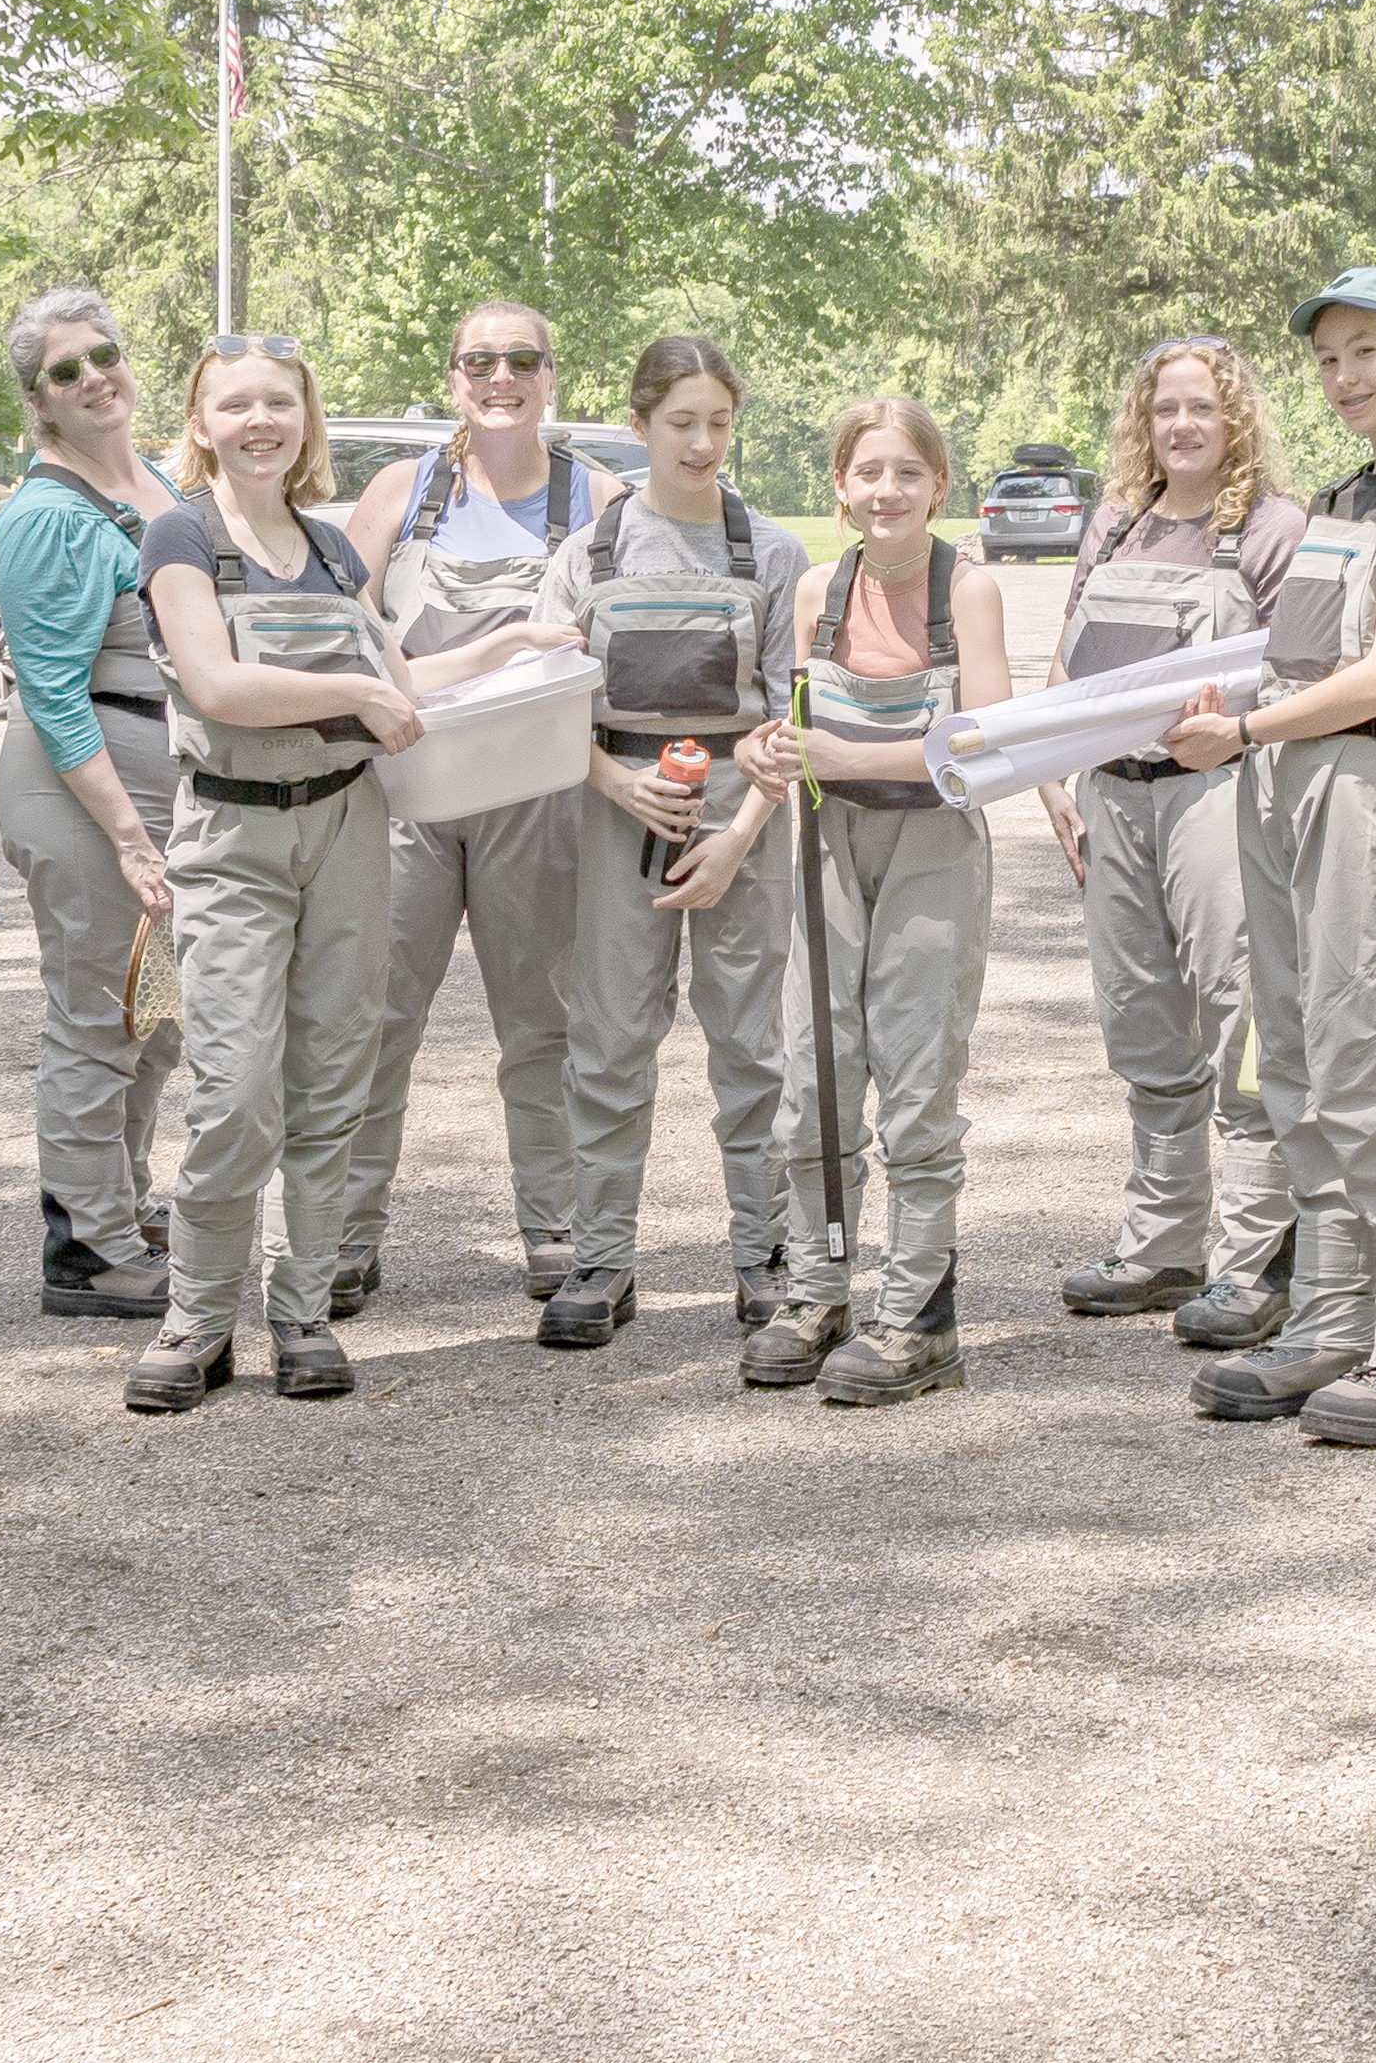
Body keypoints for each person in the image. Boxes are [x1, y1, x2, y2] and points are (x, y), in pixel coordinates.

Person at [128, 334, 579, 1412]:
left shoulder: (331, 551)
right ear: (201, 425)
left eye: (279, 402)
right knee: (235, 1089)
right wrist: (363, 704)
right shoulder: (180, 536)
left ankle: (303, 1313)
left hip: (343, 829)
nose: (259, 422)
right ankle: (196, 1319)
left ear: (305, 422)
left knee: (332, 1076)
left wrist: (506, 644)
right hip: (233, 838)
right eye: (234, 404)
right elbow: (216, 682)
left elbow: (400, 672)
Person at [1157, 266, 1376, 1448]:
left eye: (1367, 351)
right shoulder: (1351, 493)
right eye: (1330, 358)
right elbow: (1291, 653)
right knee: (1290, 1059)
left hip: (1355, 780)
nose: (1347, 377)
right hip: (1280, 777)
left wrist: (1237, 731)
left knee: (1366, 1060)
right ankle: (1340, 1315)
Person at [331, 302, 622, 1317]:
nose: (502, 376)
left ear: (551, 374)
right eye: (480, 360)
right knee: (375, 1016)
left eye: (522, 359)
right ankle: (340, 1235)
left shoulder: (599, 494)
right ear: (453, 375)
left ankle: (558, 1226)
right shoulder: (398, 492)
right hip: (408, 787)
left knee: (542, 1019)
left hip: (536, 789)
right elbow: (349, 623)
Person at [732, 397, 1011, 1404]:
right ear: (839, 486)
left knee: (917, 1068)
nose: (885, 491)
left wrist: (850, 752)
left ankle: (920, 1311)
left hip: (932, 844)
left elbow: (987, 747)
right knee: (816, 1065)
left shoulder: (965, 590)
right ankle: (818, 1288)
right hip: (827, 843)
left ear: (939, 485)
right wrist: (767, 749)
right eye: (866, 472)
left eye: (906, 472)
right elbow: (792, 726)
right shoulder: (817, 589)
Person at [537, 336, 808, 1347]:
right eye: (682, 422)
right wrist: (618, 783)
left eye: (719, 423)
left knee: (749, 1042)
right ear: (639, 422)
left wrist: (739, 835)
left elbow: (788, 717)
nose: (702, 444)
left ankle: (764, 1256)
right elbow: (544, 708)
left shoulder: (771, 554)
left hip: (742, 806)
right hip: (618, 799)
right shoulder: (587, 555)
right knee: (608, 1039)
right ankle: (601, 1258)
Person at [1035, 336, 1303, 1353]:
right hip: (1113, 795)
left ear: (1235, 417)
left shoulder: (1275, 529)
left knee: (1240, 1014)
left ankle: (1252, 1257)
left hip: (1221, 793)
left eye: (1201, 407)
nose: (1182, 425)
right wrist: (1058, 788)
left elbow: (1303, 676)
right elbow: (1067, 661)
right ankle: (1160, 1244)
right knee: (1142, 1017)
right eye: (1164, 410)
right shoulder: (1113, 525)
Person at [0, 285, 180, 1327]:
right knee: (98, 1017)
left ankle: (128, 1202)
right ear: (38, 400)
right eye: (65, 370)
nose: (93, 376)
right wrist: (129, 830)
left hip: (161, 778)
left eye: (102, 353)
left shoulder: (156, 483)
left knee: (156, 1018)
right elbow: (54, 696)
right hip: (89, 787)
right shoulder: (47, 516)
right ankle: (87, 1248)